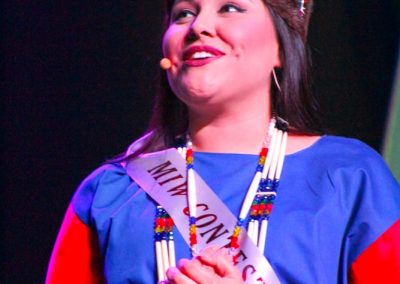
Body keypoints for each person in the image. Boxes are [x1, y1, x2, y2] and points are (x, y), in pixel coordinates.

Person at [46, 0, 400, 283]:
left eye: (230, 8)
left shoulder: (351, 178)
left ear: (282, 44)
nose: (199, 26)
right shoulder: (109, 191)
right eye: (184, 13)